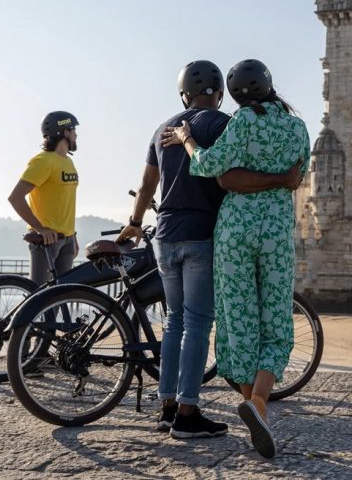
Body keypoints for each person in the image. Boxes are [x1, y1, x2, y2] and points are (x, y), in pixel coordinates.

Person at [118, 61, 303, 440]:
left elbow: (147, 182)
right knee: (200, 323)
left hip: (166, 234)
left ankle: (167, 406)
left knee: (175, 322)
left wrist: (136, 222)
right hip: (206, 234)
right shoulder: (223, 123)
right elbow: (228, 174)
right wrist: (281, 181)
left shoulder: (162, 128)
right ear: (219, 95)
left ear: (184, 94)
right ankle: (189, 412)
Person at [7, 111, 80, 286]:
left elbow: (64, 201)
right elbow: (15, 197)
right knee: (38, 298)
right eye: (73, 130)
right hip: (47, 241)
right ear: (65, 132)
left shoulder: (68, 162)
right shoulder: (43, 161)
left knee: (59, 299)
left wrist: (73, 236)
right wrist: (40, 229)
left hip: (67, 240)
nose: (76, 134)